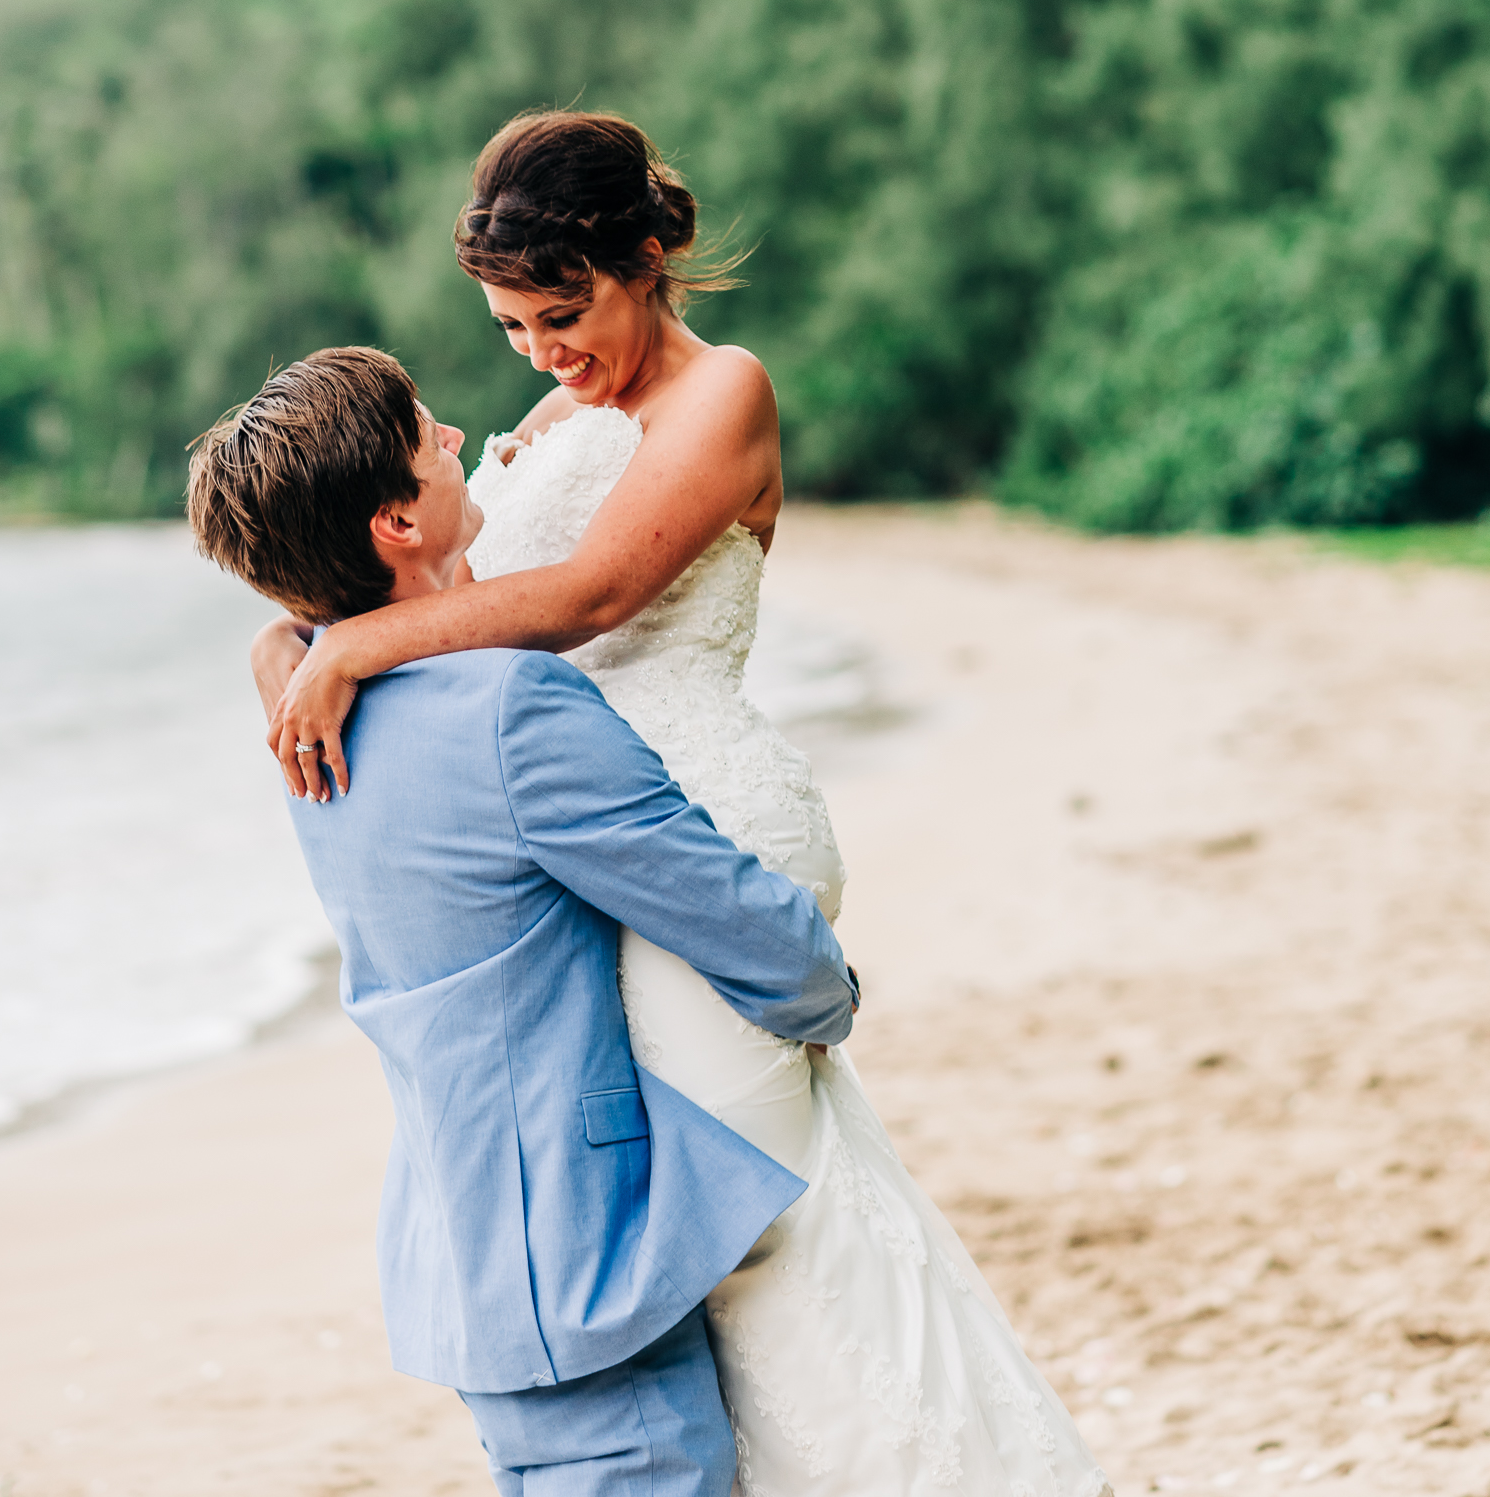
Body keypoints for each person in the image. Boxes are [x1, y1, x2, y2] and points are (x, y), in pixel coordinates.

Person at [253, 112, 1111, 1497]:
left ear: (648, 257)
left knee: (753, 1244)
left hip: (702, 824)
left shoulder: (727, 394)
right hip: (591, 846)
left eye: (563, 311)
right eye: (511, 325)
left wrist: (348, 649)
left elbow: (587, 601)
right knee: (706, 1234)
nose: (540, 352)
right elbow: (444, 588)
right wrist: (286, 638)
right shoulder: (560, 412)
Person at [187, 344, 860, 1497]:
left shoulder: (303, 697)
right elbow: (712, 895)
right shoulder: (509, 702)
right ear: (397, 520)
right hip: (581, 1245)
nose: (461, 438)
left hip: (461, 1244)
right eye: (428, 436)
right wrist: (826, 991)